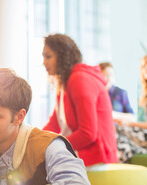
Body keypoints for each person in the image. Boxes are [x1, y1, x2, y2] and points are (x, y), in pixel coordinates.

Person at [42, 33, 118, 167]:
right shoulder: (65, 83)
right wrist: (32, 141)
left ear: (62, 56)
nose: (44, 62)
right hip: (81, 157)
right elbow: (54, 124)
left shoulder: (79, 79)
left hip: (97, 160)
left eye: (48, 56)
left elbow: (88, 133)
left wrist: (53, 147)